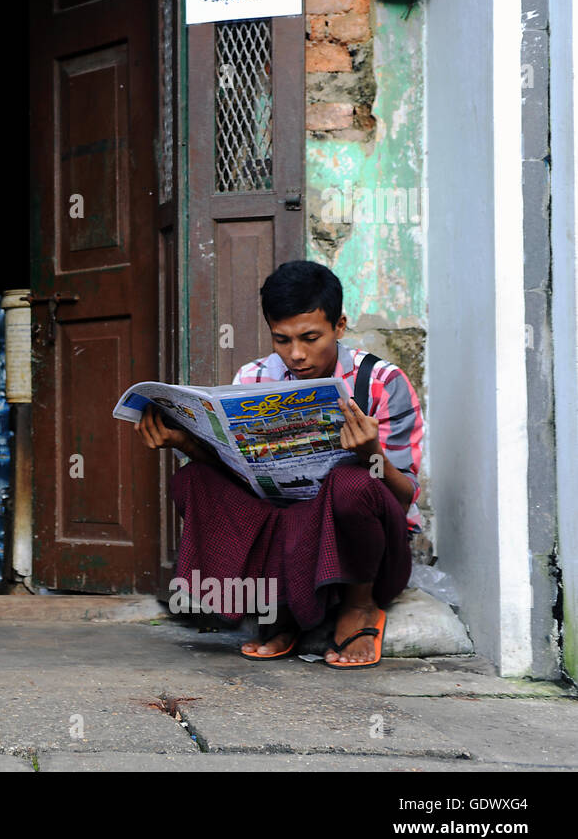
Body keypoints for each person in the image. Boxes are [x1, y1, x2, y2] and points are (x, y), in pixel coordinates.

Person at [135, 261, 424, 669]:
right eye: (282, 340)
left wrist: (370, 453)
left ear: (340, 326)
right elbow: (235, 475)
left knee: (352, 483)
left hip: (371, 554)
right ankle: (282, 606)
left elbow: (404, 496)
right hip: (288, 535)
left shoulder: (381, 382)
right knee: (193, 479)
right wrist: (184, 442)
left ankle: (358, 608)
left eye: (310, 338)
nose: (297, 354)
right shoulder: (253, 379)